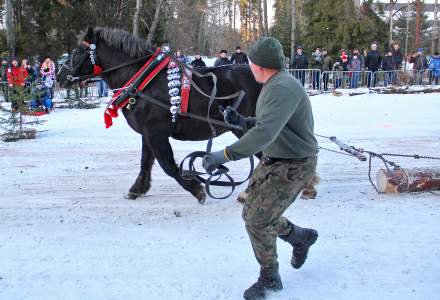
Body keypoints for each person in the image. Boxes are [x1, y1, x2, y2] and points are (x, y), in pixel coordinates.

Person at [201, 37, 319, 300]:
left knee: (257, 219)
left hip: (294, 165)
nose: (248, 64)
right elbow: (267, 123)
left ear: (261, 65)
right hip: (277, 159)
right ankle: (300, 237)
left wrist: (223, 155)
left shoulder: (282, 88)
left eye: (250, 61)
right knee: (254, 214)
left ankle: (270, 278)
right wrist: (243, 121)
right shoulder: (273, 84)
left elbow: (265, 133)